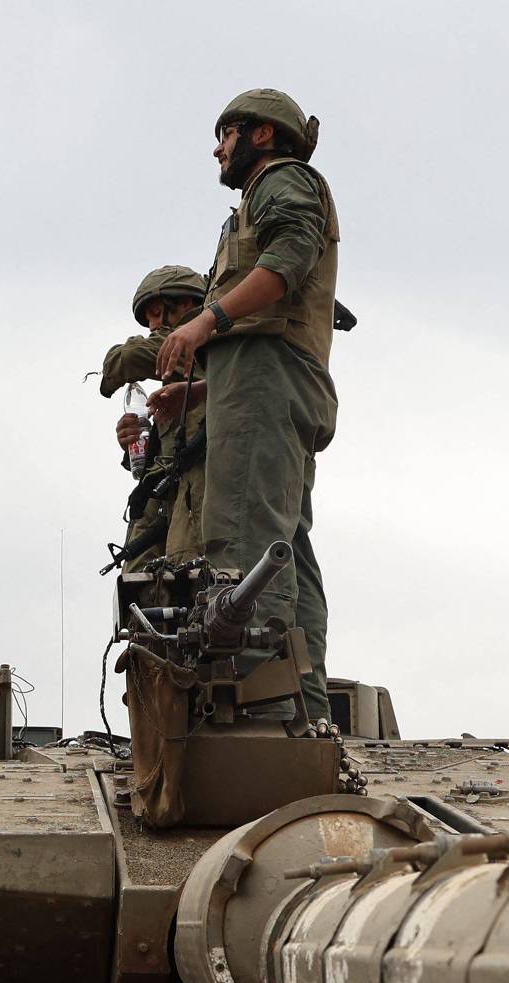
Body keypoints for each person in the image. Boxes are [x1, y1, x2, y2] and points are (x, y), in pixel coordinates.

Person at [156, 89, 340, 726]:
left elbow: (286, 265)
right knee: (286, 547)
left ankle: (265, 726)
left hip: (270, 385)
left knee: (246, 548)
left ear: (261, 135)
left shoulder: (281, 182)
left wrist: (203, 323)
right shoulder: (263, 195)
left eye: (226, 132)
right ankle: (304, 713)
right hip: (266, 384)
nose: (217, 147)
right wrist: (203, 391)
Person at [99, 266, 208, 568]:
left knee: (190, 578)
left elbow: (124, 359)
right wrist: (138, 445)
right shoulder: (177, 376)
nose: (155, 327)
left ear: (188, 305)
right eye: (150, 321)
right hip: (169, 499)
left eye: (160, 314)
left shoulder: (203, 340)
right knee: (144, 590)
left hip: (197, 496)